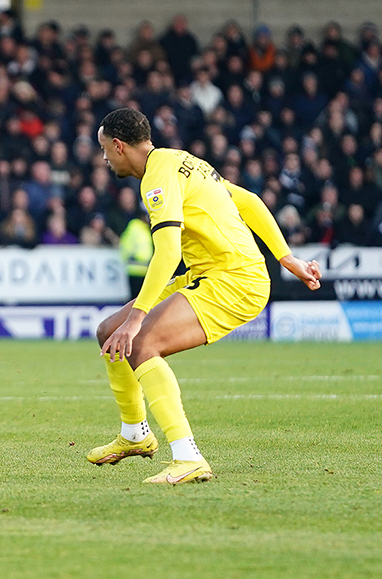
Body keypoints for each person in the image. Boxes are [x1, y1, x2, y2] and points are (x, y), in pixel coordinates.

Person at [89, 108, 321, 484]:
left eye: (103, 149)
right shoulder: (182, 160)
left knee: (141, 342)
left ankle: (187, 457)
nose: (103, 158)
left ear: (118, 146)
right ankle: (135, 435)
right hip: (207, 273)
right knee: (107, 331)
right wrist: (286, 257)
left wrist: (136, 321)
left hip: (233, 279)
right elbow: (248, 200)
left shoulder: (156, 180)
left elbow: (167, 254)